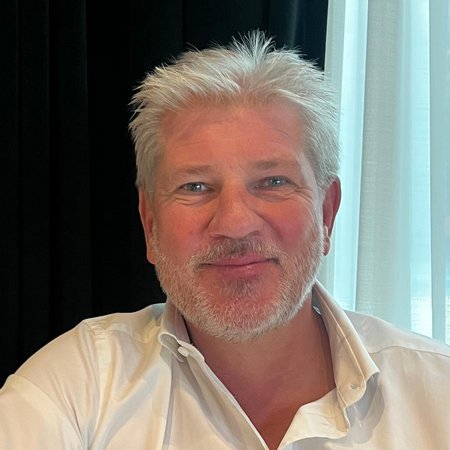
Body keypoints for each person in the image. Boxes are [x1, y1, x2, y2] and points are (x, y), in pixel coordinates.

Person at [0, 31, 449, 450]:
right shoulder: (71, 390)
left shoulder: (437, 393)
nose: (235, 224)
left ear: (327, 213)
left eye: (273, 182)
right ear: (150, 224)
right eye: (195, 187)